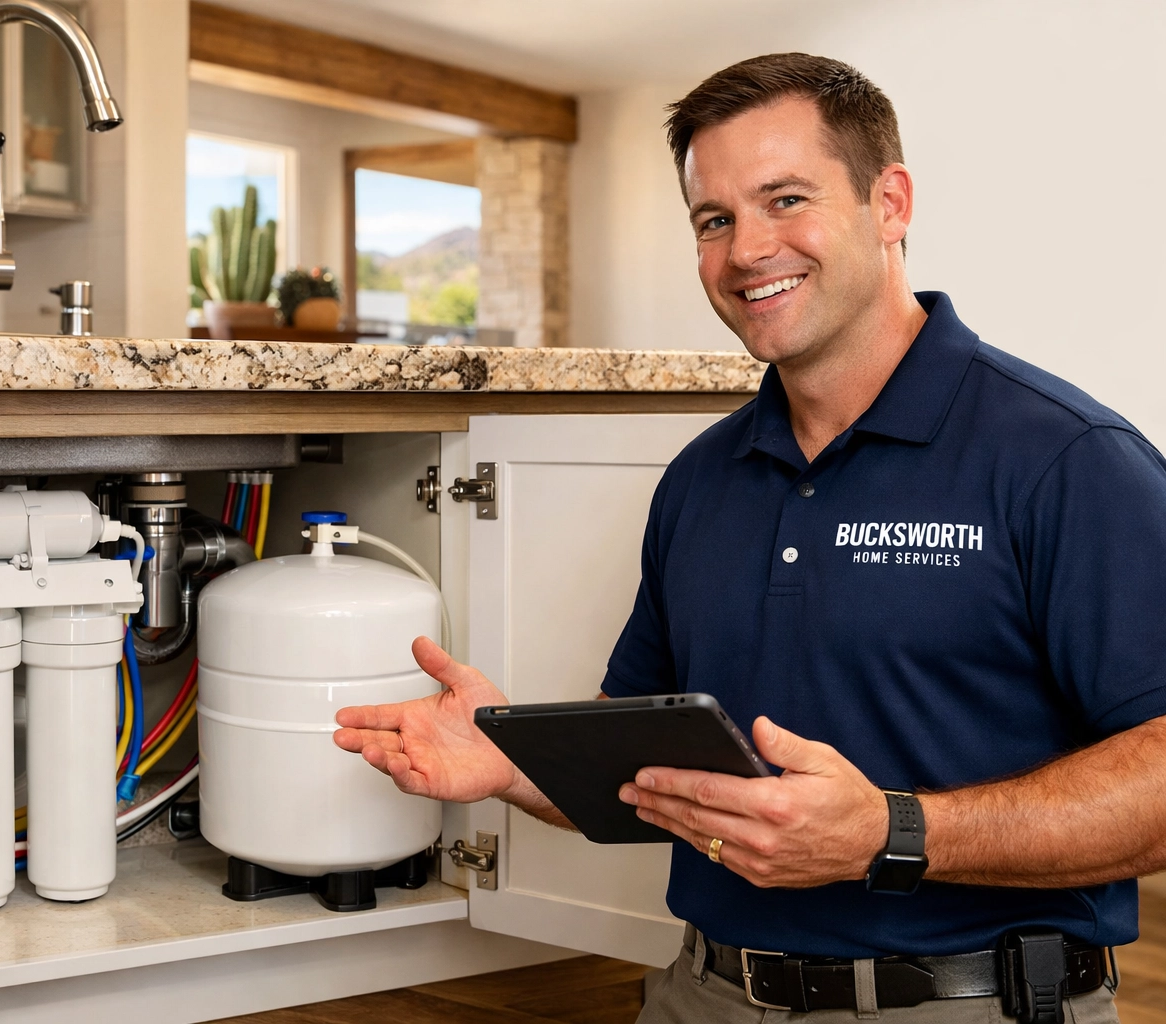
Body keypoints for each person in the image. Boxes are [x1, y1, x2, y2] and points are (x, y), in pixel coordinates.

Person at [332, 53, 1166, 1023]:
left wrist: (890, 832)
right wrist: (512, 761)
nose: (745, 251)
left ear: (889, 202)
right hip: (704, 995)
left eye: (785, 200)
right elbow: (652, 767)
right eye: (714, 219)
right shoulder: (698, 483)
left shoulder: (1067, 459)